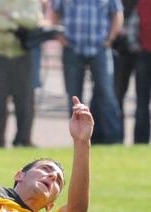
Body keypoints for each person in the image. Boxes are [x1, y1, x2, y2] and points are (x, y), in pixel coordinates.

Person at [52, 0, 124, 145]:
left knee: (106, 93)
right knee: (74, 97)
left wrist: (110, 38)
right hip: (72, 49)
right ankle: (78, 138)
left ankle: (112, 138)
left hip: (100, 48)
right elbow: (55, 12)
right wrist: (59, 37)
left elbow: (117, 13)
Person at [0, 0, 43, 147]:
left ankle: (23, 140)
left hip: (22, 55)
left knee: (25, 101)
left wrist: (10, 16)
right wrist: (16, 25)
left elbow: (33, 20)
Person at [133, 0, 151, 144]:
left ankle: (140, 141)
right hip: (144, 54)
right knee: (141, 103)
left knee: (141, 102)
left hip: (144, 53)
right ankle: (140, 141)